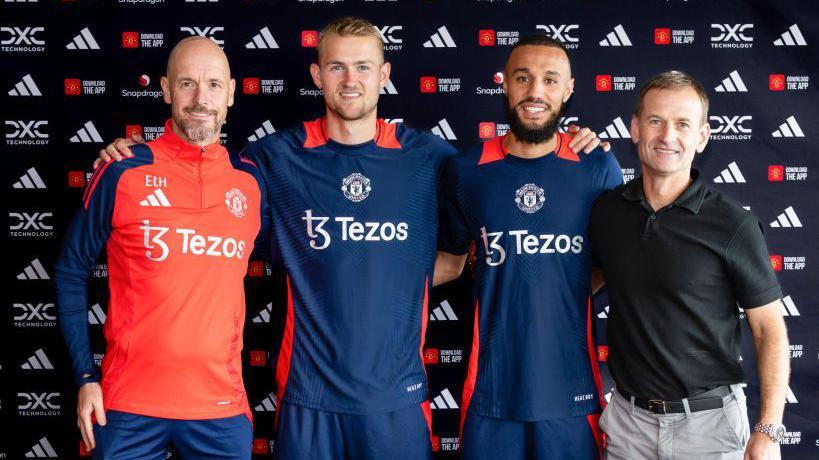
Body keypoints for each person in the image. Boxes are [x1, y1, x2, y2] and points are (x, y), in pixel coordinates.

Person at [95, 17, 604, 460]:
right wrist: (132, 155)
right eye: (336, 67)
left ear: (384, 75)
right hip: (307, 399)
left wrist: (573, 142)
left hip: (397, 402)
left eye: (363, 67)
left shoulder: (433, 161)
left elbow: (472, 240)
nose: (350, 80)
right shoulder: (274, 159)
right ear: (318, 75)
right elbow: (200, 178)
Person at [55, 37, 268, 459]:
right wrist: (84, 377)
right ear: (167, 90)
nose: (200, 98)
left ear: (231, 92)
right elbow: (70, 269)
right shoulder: (123, 170)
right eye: (187, 83)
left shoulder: (252, 181)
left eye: (213, 84)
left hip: (220, 406)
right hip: (127, 404)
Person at [434, 36, 622, 460]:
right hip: (491, 391)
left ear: (568, 90)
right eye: (523, 78)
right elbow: (449, 261)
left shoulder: (597, 166)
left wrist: (560, 288)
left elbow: (617, 261)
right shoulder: (467, 169)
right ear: (504, 85)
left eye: (549, 80)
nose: (535, 91)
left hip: (572, 390)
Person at [589, 70, 790, 460]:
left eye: (683, 124)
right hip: (628, 426)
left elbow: (769, 331)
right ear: (635, 129)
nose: (667, 136)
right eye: (655, 121)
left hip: (709, 430)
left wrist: (768, 430)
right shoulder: (607, 212)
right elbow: (582, 280)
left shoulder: (733, 224)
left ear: (702, 136)